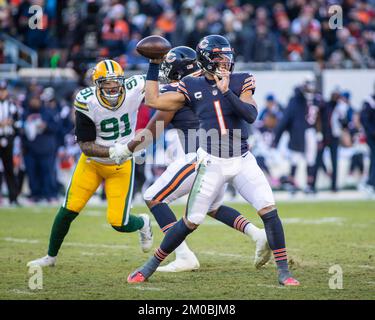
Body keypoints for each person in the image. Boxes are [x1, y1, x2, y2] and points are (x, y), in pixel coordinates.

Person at [126, 35, 299, 286]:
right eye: (219, 56)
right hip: (211, 163)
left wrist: (227, 91)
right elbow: (153, 101)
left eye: (227, 56)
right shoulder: (189, 86)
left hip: (242, 159)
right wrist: (154, 64)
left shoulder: (242, 80)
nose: (225, 61)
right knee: (191, 220)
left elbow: (250, 114)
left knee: (269, 210)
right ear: (206, 59)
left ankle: (284, 272)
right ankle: (149, 266)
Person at [27, 59, 153, 268]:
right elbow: (85, 145)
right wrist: (114, 150)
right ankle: (50, 257)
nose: (112, 87)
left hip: (120, 167)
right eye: (106, 83)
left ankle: (143, 222)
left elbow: (161, 86)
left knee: (119, 223)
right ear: (97, 84)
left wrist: (157, 64)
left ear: (123, 81)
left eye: (115, 82)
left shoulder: (136, 86)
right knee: (68, 210)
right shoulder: (87, 101)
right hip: (92, 163)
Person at [273, 77, 323, 194]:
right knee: (295, 158)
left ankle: (309, 185)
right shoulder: (296, 99)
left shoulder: (317, 100)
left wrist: (320, 134)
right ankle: (292, 184)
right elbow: (286, 119)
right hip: (297, 132)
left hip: (311, 132)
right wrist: (277, 137)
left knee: (311, 159)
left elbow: (321, 119)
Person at [0, 80, 20, 206]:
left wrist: (11, 122)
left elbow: (17, 121)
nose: (2, 93)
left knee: (9, 169)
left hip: (8, 138)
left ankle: (13, 198)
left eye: (4, 90)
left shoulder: (11, 104)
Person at [360, 86, 375, 195]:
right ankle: (371, 183)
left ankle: (370, 182)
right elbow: (364, 119)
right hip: (372, 136)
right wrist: (372, 131)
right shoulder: (369, 101)